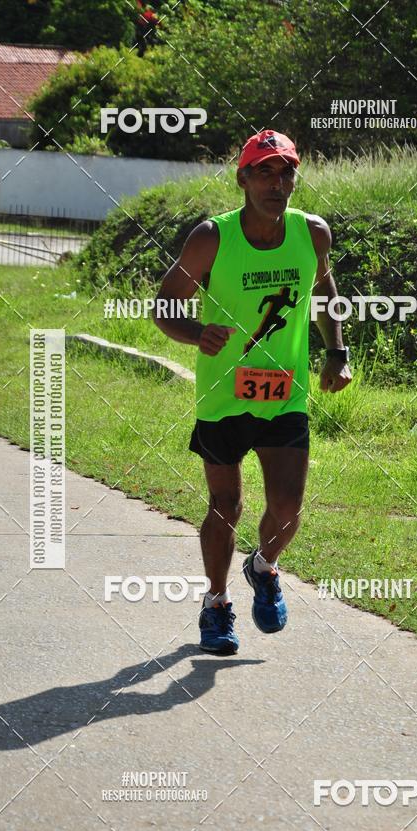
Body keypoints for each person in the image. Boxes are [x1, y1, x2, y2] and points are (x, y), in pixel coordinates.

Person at [154, 129, 352, 654]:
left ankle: (263, 567)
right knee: (226, 505)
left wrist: (337, 351)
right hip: (224, 394)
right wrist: (198, 333)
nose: (276, 182)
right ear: (243, 178)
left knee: (287, 508)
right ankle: (216, 606)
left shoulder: (312, 234)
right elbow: (165, 304)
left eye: (285, 171)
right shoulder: (211, 239)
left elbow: (325, 287)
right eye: (263, 171)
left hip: (285, 391)